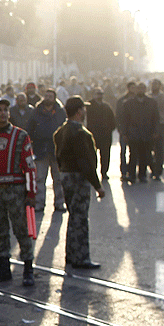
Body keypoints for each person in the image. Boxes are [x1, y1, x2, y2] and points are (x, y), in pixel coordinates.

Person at [0, 96, 38, 286]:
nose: (3, 113)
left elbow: (29, 166)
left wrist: (31, 193)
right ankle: (4, 268)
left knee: (21, 230)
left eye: (5, 109)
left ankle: (28, 268)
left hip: (16, 191)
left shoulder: (21, 136)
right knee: (1, 230)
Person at [52, 96, 104, 269]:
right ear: (79, 111)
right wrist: (97, 185)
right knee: (80, 219)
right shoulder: (81, 133)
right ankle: (81, 257)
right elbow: (86, 163)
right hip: (78, 178)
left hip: (66, 175)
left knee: (73, 217)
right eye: (83, 109)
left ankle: (71, 255)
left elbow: (58, 156)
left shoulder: (62, 131)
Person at [30, 87, 66, 216]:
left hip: (57, 150)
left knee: (58, 178)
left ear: (54, 98)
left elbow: (64, 128)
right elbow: (30, 130)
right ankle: (39, 203)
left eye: (51, 96)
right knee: (40, 178)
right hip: (41, 150)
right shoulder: (36, 112)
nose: (48, 98)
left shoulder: (60, 112)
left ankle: (59, 202)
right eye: (46, 95)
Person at [123, 82, 158, 183]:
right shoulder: (128, 103)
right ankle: (132, 175)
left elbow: (156, 119)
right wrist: (124, 133)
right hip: (133, 133)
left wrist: (155, 131)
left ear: (145, 90)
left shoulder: (152, 102)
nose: (140, 90)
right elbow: (124, 119)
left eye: (143, 88)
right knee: (133, 155)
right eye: (139, 88)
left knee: (144, 155)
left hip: (147, 133)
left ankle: (142, 175)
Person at [84, 88, 117, 182]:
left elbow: (113, 120)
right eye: (98, 94)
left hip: (105, 135)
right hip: (92, 135)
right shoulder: (88, 106)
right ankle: (92, 173)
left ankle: (104, 172)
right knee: (91, 156)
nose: (100, 96)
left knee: (105, 155)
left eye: (101, 94)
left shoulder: (107, 106)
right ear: (93, 95)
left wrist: (110, 129)